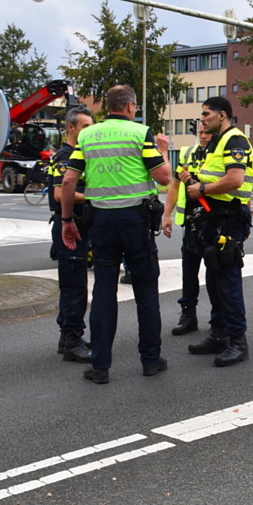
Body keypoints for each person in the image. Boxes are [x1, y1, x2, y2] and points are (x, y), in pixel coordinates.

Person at [60, 85, 172, 384]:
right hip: (136, 222)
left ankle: (100, 366)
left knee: (103, 294)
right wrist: (163, 150)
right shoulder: (139, 133)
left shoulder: (87, 136)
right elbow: (163, 177)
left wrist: (67, 220)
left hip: (102, 223)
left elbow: (69, 181)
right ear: (131, 107)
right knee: (146, 292)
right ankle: (150, 360)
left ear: (106, 106)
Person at [185, 97, 253, 367]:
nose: (202, 119)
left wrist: (201, 189)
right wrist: (195, 183)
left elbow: (235, 179)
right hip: (214, 218)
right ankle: (218, 334)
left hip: (228, 220)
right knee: (215, 281)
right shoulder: (217, 142)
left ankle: (238, 342)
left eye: (206, 114)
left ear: (222, 115)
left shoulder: (235, 140)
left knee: (227, 282)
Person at [48, 106, 94, 362]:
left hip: (78, 224)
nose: (89, 131)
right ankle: (73, 339)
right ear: (71, 128)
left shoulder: (80, 155)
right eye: (85, 126)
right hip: (70, 225)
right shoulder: (65, 156)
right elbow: (59, 193)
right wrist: (94, 197)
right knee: (75, 285)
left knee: (73, 283)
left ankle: (67, 336)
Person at [162, 125, 218, 336]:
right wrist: (167, 214)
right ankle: (188, 315)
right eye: (200, 133)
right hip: (191, 224)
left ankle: (217, 321)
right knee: (188, 272)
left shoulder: (220, 154)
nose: (203, 137)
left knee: (214, 275)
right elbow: (175, 185)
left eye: (207, 133)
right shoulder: (189, 153)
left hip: (212, 222)